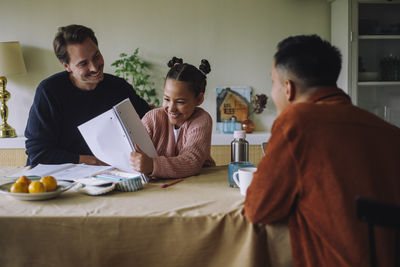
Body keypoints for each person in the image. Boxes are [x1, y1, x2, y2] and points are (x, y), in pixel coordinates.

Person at [244, 34, 400, 267]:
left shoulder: (297, 121)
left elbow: (258, 208)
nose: (273, 91)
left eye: (273, 83)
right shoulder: (389, 132)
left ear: (288, 88)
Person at [25, 24, 151, 166]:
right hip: (60, 177)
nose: (94, 67)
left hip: (111, 173)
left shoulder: (119, 87)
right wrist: (92, 161)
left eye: (96, 56)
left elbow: (150, 123)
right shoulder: (49, 92)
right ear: (66, 66)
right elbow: (38, 153)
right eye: (83, 63)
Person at [129, 57, 215, 178]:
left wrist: (153, 165)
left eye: (180, 102)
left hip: (199, 183)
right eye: (166, 99)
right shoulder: (152, 117)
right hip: (162, 187)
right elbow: (133, 150)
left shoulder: (202, 120)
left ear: (199, 99)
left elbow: (191, 161)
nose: (171, 108)